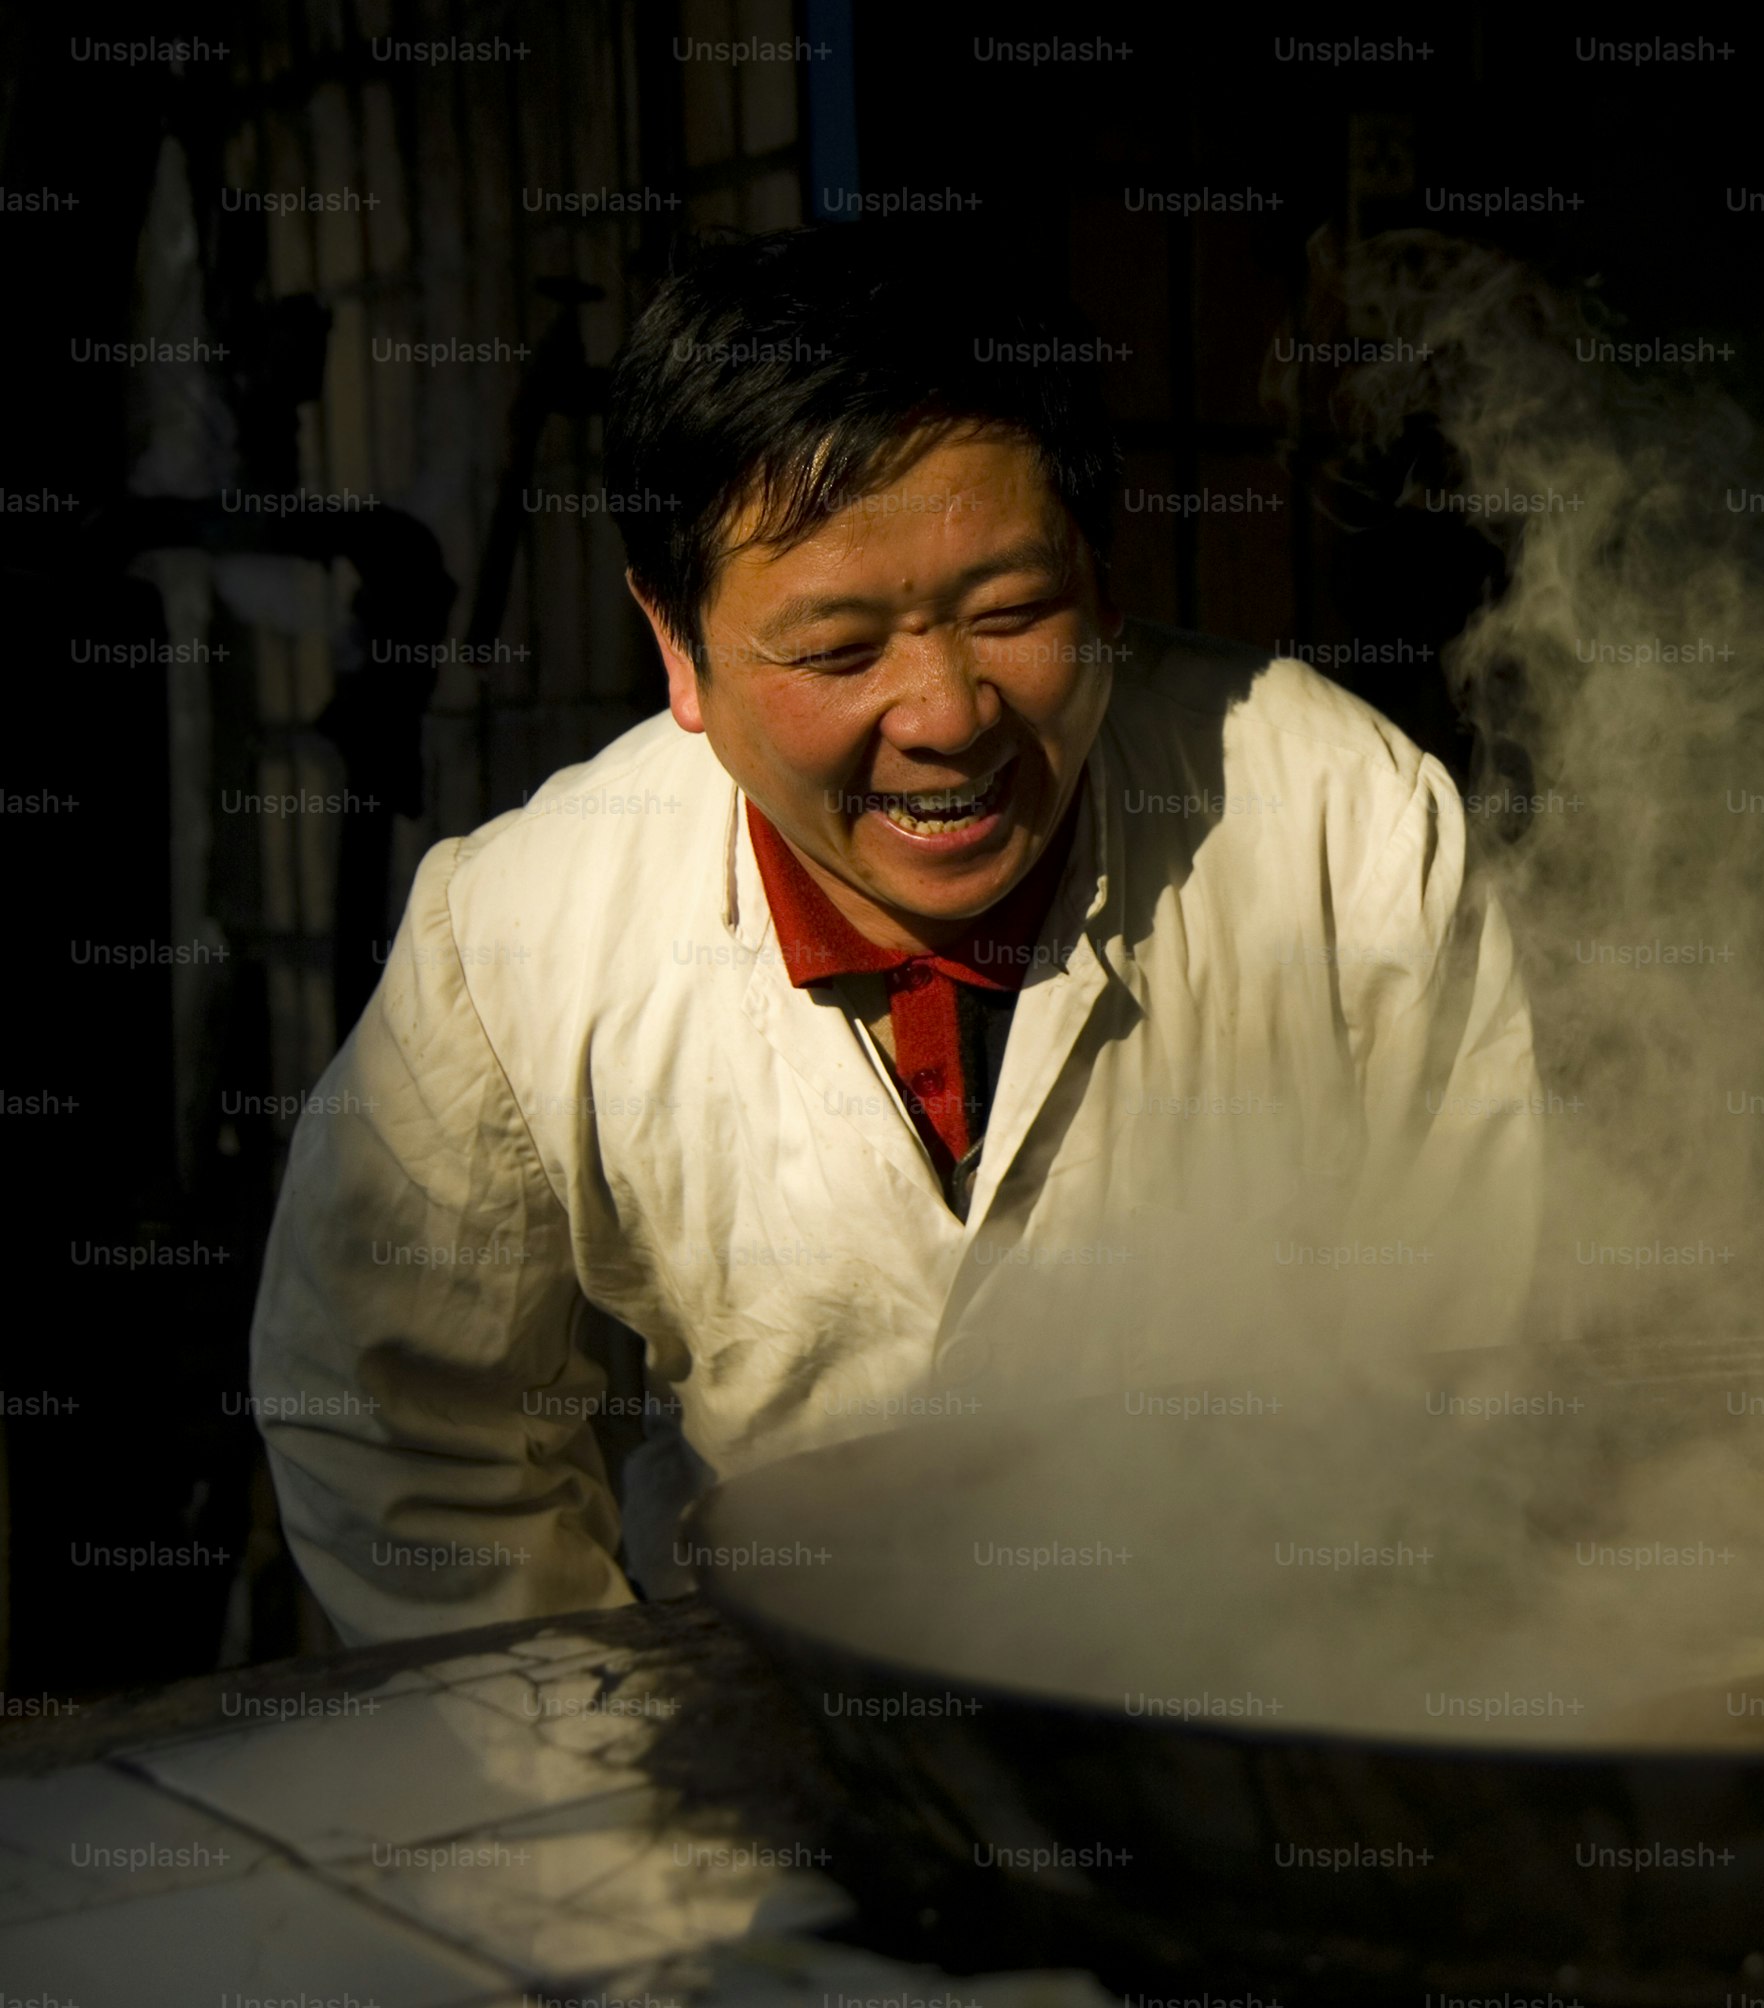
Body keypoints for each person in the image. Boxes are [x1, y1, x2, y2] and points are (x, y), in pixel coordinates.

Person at [248, 222, 1543, 1644]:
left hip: (1265, 1688)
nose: (946, 716)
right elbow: (403, 1434)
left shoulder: (1337, 822)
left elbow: (1474, 1339)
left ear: (1107, 584)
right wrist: (624, 1771)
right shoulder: (515, 940)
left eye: (1013, 610)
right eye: (836, 651)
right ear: (679, 649)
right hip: (766, 1720)